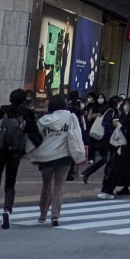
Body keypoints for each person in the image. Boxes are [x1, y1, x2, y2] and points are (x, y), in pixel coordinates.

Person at [0, 88, 40, 227]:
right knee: (10, 183)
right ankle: (7, 210)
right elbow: (35, 136)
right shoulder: (27, 114)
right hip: (15, 153)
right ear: (23, 100)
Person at [31, 95, 87, 224]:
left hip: (46, 157)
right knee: (59, 186)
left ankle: (42, 214)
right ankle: (55, 215)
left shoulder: (44, 120)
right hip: (64, 156)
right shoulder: (71, 117)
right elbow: (78, 134)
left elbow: (37, 137)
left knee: (46, 185)